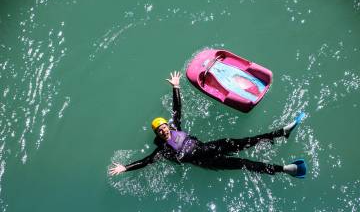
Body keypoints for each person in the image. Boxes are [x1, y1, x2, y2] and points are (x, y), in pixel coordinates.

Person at [109, 71, 306, 178]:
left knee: (245, 141)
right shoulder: (163, 151)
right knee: (243, 164)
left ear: (167, 127)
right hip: (208, 161)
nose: (163, 131)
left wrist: (176, 87)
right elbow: (146, 161)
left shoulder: (175, 127)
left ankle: (280, 133)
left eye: (164, 127)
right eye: (160, 131)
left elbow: (177, 110)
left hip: (210, 146)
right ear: (158, 135)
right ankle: (285, 170)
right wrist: (125, 168)